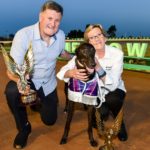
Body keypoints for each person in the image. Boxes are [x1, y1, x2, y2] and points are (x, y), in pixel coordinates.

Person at [4, 1, 70, 149]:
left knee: (50, 120)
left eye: (57, 20)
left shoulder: (60, 35)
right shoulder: (23, 35)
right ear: (41, 17)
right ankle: (24, 127)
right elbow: (10, 70)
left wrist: (75, 58)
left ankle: (37, 102)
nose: (53, 24)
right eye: (49, 18)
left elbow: (62, 52)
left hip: (48, 82)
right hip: (29, 80)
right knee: (12, 91)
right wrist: (19, 81)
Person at [57, 24, 128, 142]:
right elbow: (62, 72)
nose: (96, 39)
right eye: (92, 37)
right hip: (95, 94)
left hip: (113, 90)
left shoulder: (117, 54)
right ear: (88, 42)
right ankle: (100, 116)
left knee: (113, 99)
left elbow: (113, 85)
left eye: (99, 35)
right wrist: (71, 72)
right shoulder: (85, 54)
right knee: (101, 114)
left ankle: (119, 123)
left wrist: (98, 68)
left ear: (104, 37)